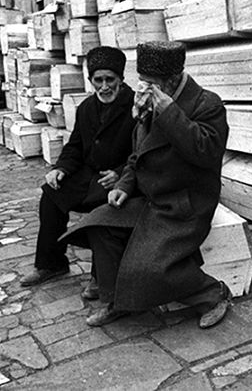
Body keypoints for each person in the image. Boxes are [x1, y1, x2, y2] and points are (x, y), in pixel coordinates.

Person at [60, 40, 231, 329]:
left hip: (185, 204)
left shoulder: (206, 104)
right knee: (99, 225)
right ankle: (118, 301)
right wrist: (124, 185)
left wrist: (170, 113)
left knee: (149, 268)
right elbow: (137, 154)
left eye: (149, 82)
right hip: (151, 199)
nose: (142, 87)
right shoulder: (151, 100)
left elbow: (207, 152)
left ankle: (213, 295)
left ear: (171, 80)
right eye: (142, 80)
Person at [20, 46, 136, 300]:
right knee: (51, 195)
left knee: (103, 212)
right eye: (98, 80)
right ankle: (52, 263)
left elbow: (143, 152)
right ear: (90, 80)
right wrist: (60, 169)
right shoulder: (86, 107)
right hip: (88, 175)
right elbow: (75, 146)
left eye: (110, 80)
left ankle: (101, 276)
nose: (104, 87)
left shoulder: (136, 107)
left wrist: (120, 174)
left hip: (120, 180)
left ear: (121, 79)